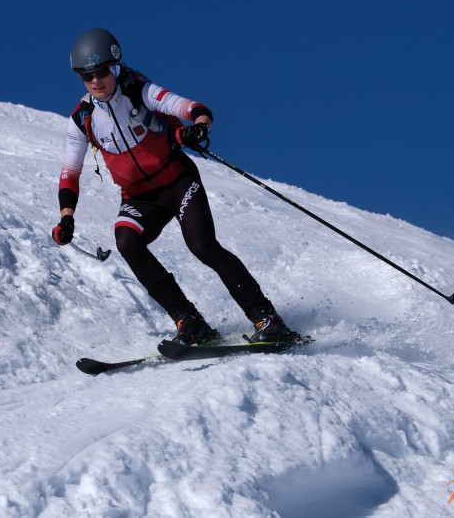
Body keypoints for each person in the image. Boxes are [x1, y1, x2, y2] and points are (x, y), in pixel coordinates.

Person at [52, 27, 301, 345]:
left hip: (177, 180)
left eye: (102, 72)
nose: (96, 81)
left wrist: (198, 128)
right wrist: (67, 217)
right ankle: (190, 321)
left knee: (203, 246)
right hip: (140, 197)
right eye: (87, 76)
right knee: (127, 241)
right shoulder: (81, 119)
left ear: (115, 67)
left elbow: (194, 110)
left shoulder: (140, 91)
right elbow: (69, 173)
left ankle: (267, 318)